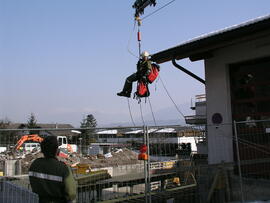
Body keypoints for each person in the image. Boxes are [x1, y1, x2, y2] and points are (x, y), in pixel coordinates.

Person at [29, 136, 76, 203]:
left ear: (42, 149)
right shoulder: (62, 168)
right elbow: (71, 193)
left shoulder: (35, 164)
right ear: (56, 150)